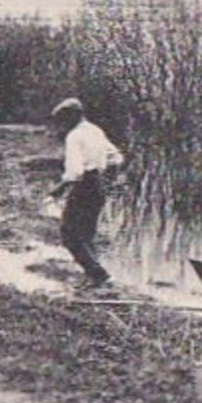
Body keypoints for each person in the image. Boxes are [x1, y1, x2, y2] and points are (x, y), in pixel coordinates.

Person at [49, 97, 124, 289]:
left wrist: (59, 189)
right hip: (98, 185)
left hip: (84, 186)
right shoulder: (95, 131)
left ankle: (100, 276)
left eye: (64, 120)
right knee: (87, 233)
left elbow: (75, 172)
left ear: (73, 116)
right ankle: (95, 275)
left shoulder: (74, 136)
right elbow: (116, 157)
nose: (62, 125)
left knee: (69, 234)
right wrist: (108, 178)